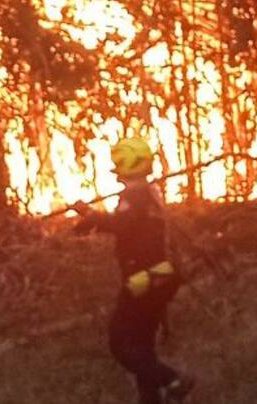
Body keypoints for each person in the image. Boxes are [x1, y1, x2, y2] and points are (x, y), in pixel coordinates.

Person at [73, 137, 195, 404]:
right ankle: (150, 400)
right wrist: (91, 215)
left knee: (121, 344)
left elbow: (121, 224)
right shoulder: (149, 194)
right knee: (142, 346)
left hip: (142, 281)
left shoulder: (133, 196)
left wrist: (92, 220)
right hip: (161, 277)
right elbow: (126, 222)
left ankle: (173, 379)